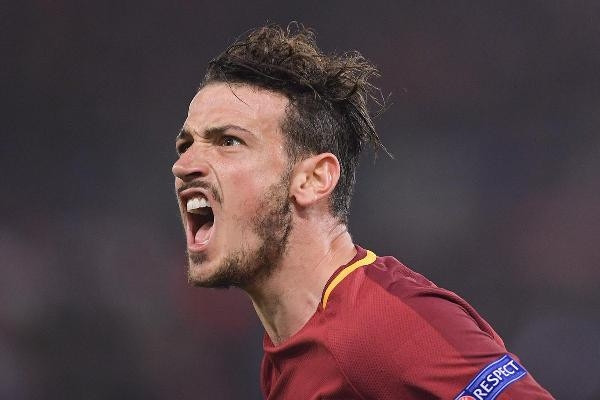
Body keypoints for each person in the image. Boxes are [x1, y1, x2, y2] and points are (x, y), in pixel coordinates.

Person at [172, 23, 554, 400]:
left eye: (229, 141)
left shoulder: (380, 325)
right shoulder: (288, 356)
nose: (184, 165)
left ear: (313, 179)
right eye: (186, 145)